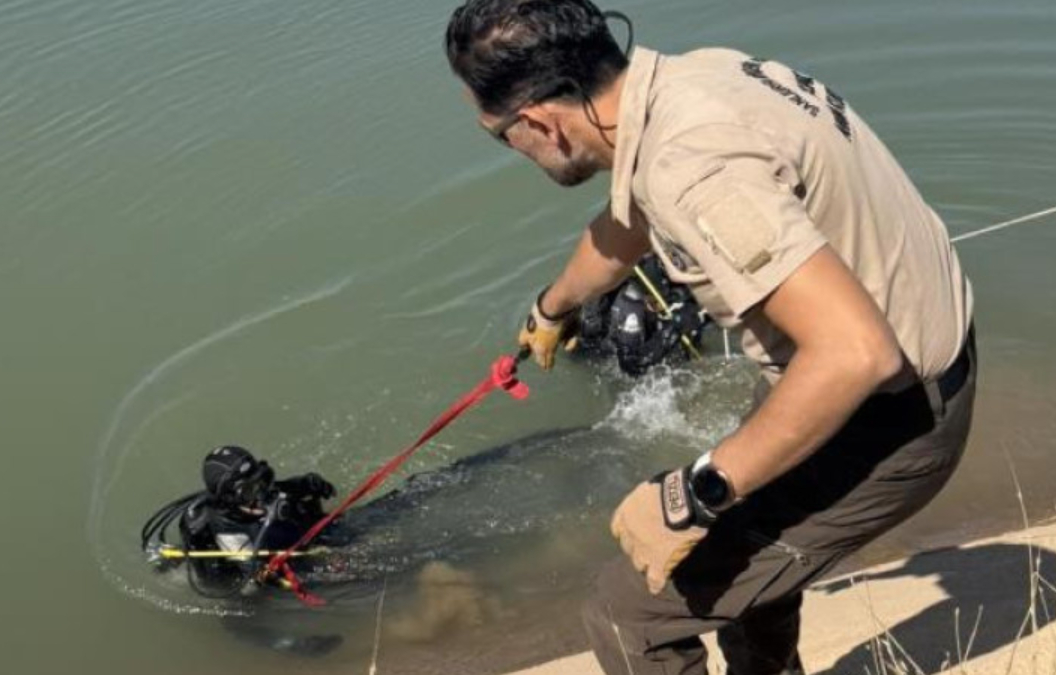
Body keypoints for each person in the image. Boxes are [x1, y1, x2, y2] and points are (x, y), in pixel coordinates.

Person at [444, 2, 975, 674]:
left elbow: (855, 353)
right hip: (899, 365)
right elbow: (629, 225)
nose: (509, 147)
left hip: (891, 413)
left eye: (499, 135)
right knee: (737, 580)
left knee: (628, 614)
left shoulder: (693, 169)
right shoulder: (689, 82)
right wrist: (554, 306)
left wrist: (696, 492)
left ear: (540, 122)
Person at [142, 445, 336, 598]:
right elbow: (223, 593)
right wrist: (258, 579)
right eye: (250, 491)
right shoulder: (219, 530)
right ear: (229, 498)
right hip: (256, 565)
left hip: (304, 538)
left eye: (262, 481)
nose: (262, 494)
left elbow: (283, 487)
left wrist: (307, 484)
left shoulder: (255, 497)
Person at [576, 254, 712, 376]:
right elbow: (632, 366)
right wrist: (675, 327)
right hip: (613, 351)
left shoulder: (678, 281)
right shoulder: (631, 309)